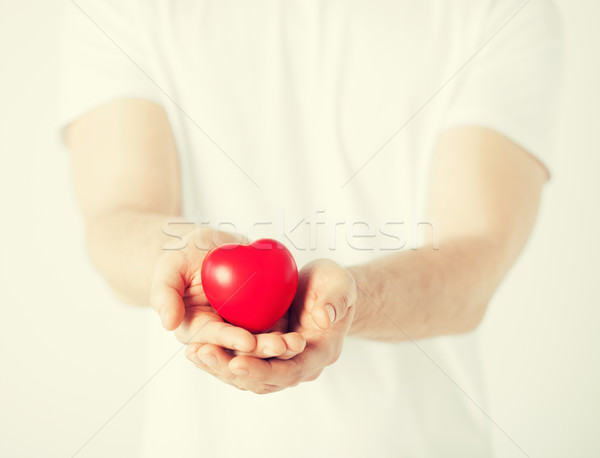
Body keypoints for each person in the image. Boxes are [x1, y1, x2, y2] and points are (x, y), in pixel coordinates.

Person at [59, 0, 562, 456]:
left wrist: (352, 300)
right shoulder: (119, 9)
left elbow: (476, 257)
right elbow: (117, 218)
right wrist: (184, 261)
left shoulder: (500, 11)